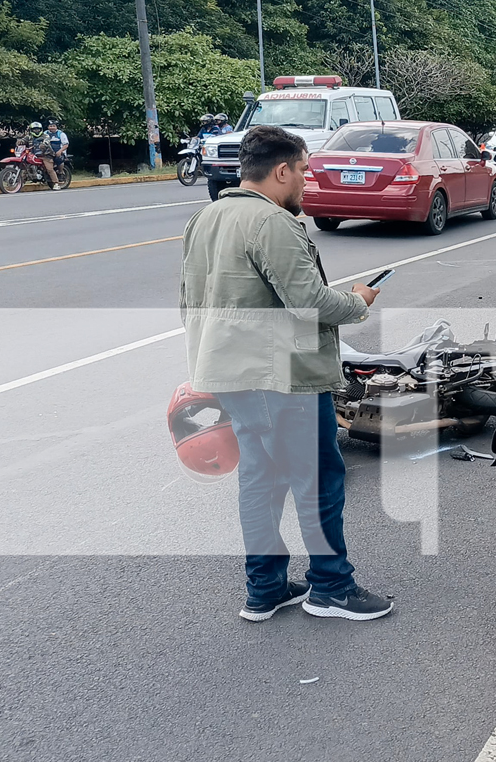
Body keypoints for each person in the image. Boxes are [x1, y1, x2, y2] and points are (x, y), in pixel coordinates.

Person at [179, 125, 392, 622]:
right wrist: (357, 302)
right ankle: (332, 588)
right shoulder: (272, 223)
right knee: (316, 479)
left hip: (230, 373)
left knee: (261, 478)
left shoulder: (205, 218)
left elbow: (188, 302)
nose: (305, 181)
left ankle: (266, 587)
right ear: (280, 170)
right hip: (281, 378)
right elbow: (309, 303)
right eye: (302, 171)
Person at [24, 122, 59, 189]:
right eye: (34, 129)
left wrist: (43, 145)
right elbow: (23, 140)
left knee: (49, 169)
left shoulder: (45, 136)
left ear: (41, 129)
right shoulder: (29, 137)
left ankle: (56, 184)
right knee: (25, 166)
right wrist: (19, 142)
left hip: (46, 155)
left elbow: (46, 141)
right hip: (34, 155)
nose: (36, 131)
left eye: (38, 129)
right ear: (31, 130)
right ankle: (20, 182)